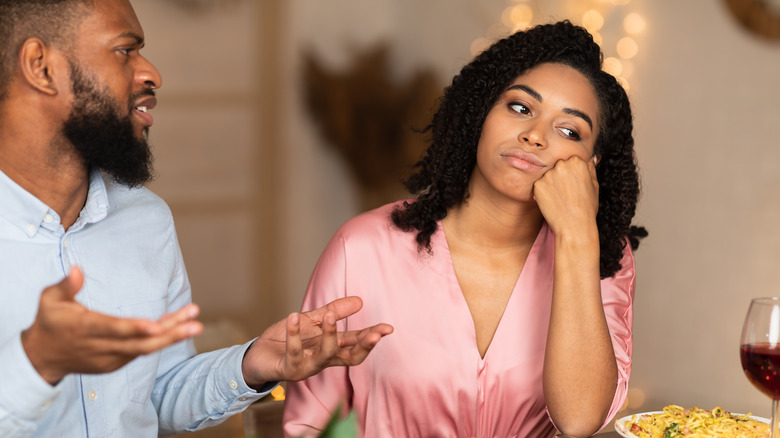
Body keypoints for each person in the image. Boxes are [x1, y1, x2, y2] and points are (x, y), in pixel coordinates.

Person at [0, 0, 394, 437]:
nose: (152, 74)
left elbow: (159, 394)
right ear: (40, 66)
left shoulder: (145, 220)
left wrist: (253, 365)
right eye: (124, 51)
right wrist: (36, 364)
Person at [283, 20, 647, 438]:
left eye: (569, 130)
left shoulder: (601, 260)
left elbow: (579, 418)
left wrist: (578, 235)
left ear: (592, 164)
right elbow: (310, 424)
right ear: (482, 112)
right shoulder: (361, 248)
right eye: (520, 107)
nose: (534, 136)